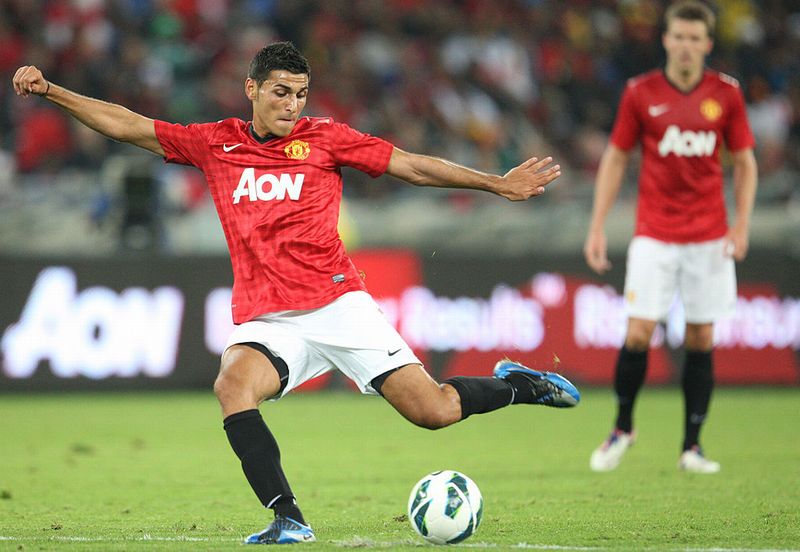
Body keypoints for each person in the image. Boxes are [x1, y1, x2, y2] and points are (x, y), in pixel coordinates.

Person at [13, 41, 580, 544]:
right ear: (252, 90)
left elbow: (410, 166)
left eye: (301, 94)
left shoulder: (326, 139)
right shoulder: (216, 143)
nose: (292, 105)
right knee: (233, 386)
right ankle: (288, 518)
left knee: (434, 412)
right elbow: (128, 125)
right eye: (281, 92)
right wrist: (52, 91)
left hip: (338, 306)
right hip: (269, 320)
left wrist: (495, 183)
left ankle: (518, 385)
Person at [583, 1, 757, 474]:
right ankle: (622, 428)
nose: (685, 46)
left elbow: (745, 161)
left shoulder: (726, 94)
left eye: (694, 38)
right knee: (638, 331)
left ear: (707, 44)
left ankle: (691, 447)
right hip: (655, 232)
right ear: (665, 39)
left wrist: (742, 223)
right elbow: (616, 157)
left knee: (701, 336)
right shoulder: (640, 92)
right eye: (678, 36)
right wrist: (597, 225)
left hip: (709, 234)